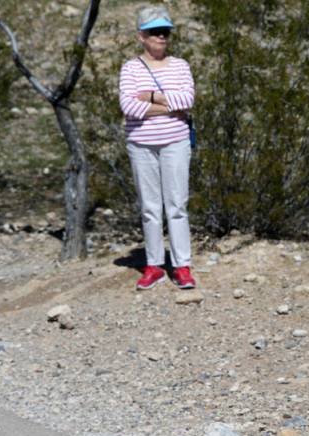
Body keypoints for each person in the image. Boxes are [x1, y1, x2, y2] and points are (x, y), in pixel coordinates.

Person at [119, 5, 196, 291]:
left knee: (177, 205)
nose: (161, 37)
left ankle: (181, 265)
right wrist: (168, 105)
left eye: (165, 32)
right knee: (150, 207)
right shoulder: (130, 68)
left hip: (175, 142)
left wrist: (150, 97)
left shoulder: (181, 65)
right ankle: (153, 265)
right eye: (155, 32)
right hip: (141, 144)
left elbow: (187, 100)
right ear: (141, 36)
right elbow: (128, 106)